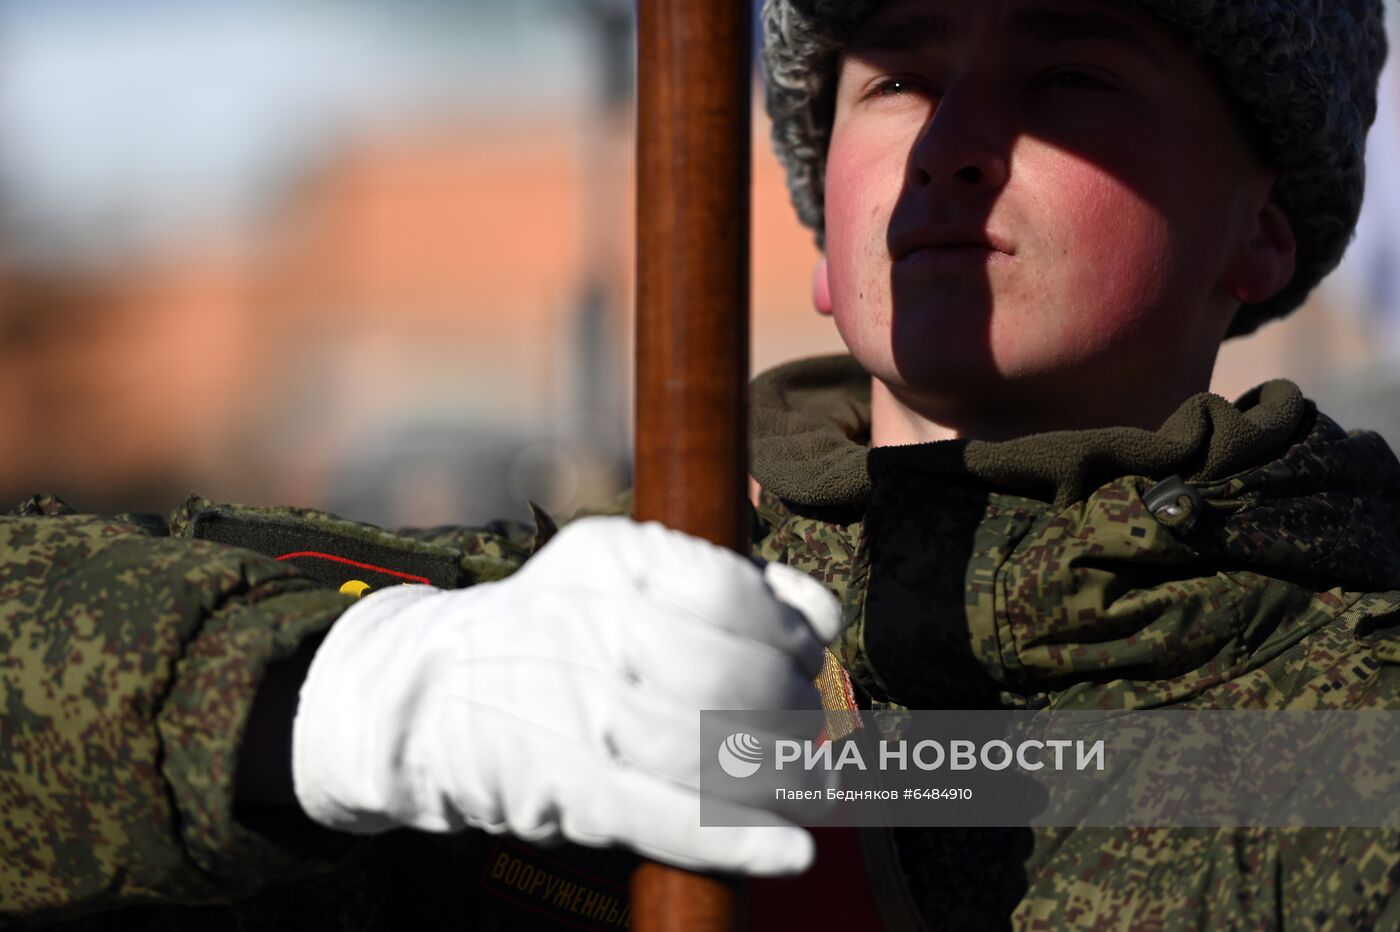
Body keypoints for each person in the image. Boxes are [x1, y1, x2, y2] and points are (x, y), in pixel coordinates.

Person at [2, 0, 1396, 928]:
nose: (956, 147)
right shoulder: (570, 637)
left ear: (1259, 228)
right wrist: (350, 707)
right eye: (898, 80)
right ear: (820, 231)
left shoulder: (1354, 706)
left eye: (1072, 76)